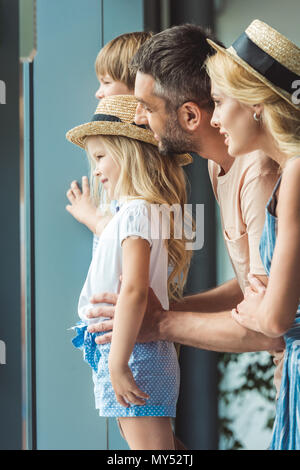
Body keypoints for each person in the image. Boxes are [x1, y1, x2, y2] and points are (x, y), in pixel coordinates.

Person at [86, 24, 284, 396]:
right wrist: (169, 307)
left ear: (190, 116)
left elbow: (270, 326)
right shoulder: (217, 164)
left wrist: (161, 322)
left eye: (146, 107)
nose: (140, 119)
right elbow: (252, 285)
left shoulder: (259, 173)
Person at [66, 94, 193, 450]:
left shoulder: (137, 214)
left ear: (130, 153)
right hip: (127, 350)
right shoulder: (134, 214)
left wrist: (119, 364)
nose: (95, 170)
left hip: (134, 353)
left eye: (101, 157)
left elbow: (134, 290)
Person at [205, 19, 300, 450]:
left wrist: (256, 309)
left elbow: (275, 321)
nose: (214, 117)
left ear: (256, 104)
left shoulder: (295, 172)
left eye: (220, 101)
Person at [66, 32, 152, 249]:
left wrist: (92, 219)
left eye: (106, 82)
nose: (98, 93)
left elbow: (132, 232)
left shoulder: (144, 170)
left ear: (138, 87)